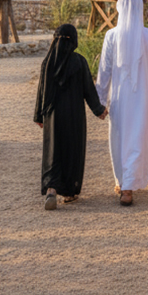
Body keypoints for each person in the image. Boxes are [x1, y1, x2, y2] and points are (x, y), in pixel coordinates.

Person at [95, 0, 148, 206]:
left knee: (120, 139)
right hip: (142, 99)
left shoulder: (112, 35)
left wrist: (100, 100)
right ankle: (127, 186)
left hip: (119, 99)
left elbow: (104, 71)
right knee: (137, 140)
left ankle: (123, 183)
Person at [35, 24, 107, 210]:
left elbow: (41, 90)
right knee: (72, 151)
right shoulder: (79, 62)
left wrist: (39, 115)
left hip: (52, 115)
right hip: (74, 115)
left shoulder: (47, 62)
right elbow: (88, 90)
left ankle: (51, 189)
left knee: (53, 151)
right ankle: (69, 192)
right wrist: (99, 110)